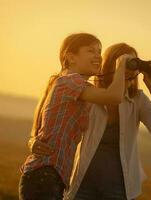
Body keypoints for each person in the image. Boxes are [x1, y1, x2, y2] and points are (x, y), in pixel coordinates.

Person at [30, 43, 151, 200]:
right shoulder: (90, 94)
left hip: (121, 188)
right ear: (109, 65)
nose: (128, 67)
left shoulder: (137, 99)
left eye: (132, 62)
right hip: (81, 184)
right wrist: (32, 140)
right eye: (122, 63)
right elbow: (52, 115)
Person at [19, 33, 130, 200]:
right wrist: (121, 66)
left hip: (51, 176)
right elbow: (113, 97)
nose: (97, 56)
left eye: (99, 51)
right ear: (71, 57)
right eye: (90, 51)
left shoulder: (71, 86)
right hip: (45, 175)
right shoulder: (70, 82)